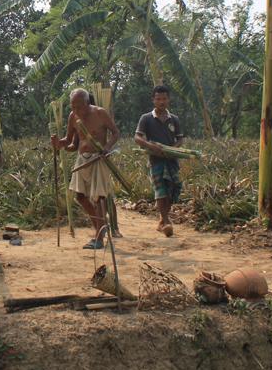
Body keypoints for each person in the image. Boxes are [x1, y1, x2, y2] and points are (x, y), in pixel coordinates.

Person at [51, 88, 120, 249]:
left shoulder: (100, 113)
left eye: (79, 106)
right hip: (82, 159)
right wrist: (58, 144)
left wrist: (107, 147)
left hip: (98, 159)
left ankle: (99, 238)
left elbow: (116, 133)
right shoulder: (73, 117)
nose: (76, 110)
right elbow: (70, 143)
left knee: (99, 198)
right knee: (80, 197)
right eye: (73, 107)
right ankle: (100, 228)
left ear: (87, 103)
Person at [134, 85, 185, 237]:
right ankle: (166, 220)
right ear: (153, 100)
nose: (161, 102)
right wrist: (151, 146)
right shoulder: (146, 118)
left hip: (171, 160)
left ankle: (162, 221)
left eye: (164, 99)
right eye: (158, 99)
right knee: (161, 191)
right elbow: (137, 138)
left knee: (171, 190)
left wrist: (173, 149)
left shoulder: (174, 119)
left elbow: (180, 138)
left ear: (168, 100)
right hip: (155, 160)